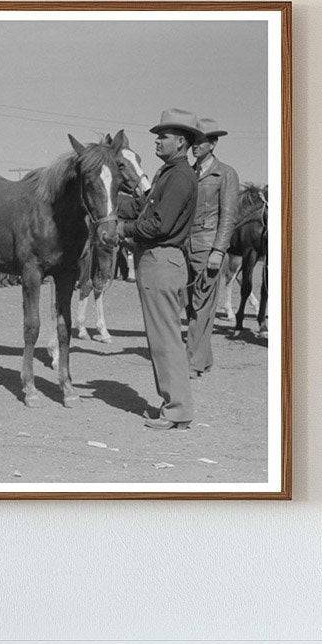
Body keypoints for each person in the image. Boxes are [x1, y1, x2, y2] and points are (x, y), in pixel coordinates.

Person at [118, 108, 200, 430]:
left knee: (164, 339)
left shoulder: (179, 177)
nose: (157, 140)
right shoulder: (169, 173)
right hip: (159, 261)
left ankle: (177, 409)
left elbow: (157, 224)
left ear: (180, 142)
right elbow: (142, 206)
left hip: (161, 260)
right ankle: (175, 406)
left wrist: (123, 230)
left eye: (163, 136)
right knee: (164, 338)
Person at [186, 117, 239, 377]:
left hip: (208, 248)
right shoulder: (188, 172)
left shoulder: (225, 173)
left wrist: (218, 250)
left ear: (213, 143)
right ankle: (203, 359)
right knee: (190, 304)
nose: (194, 146)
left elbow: (228, 216)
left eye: (200, 141)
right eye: (192, 141)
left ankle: (193, 363)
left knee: (202, 304)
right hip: (185, 246)